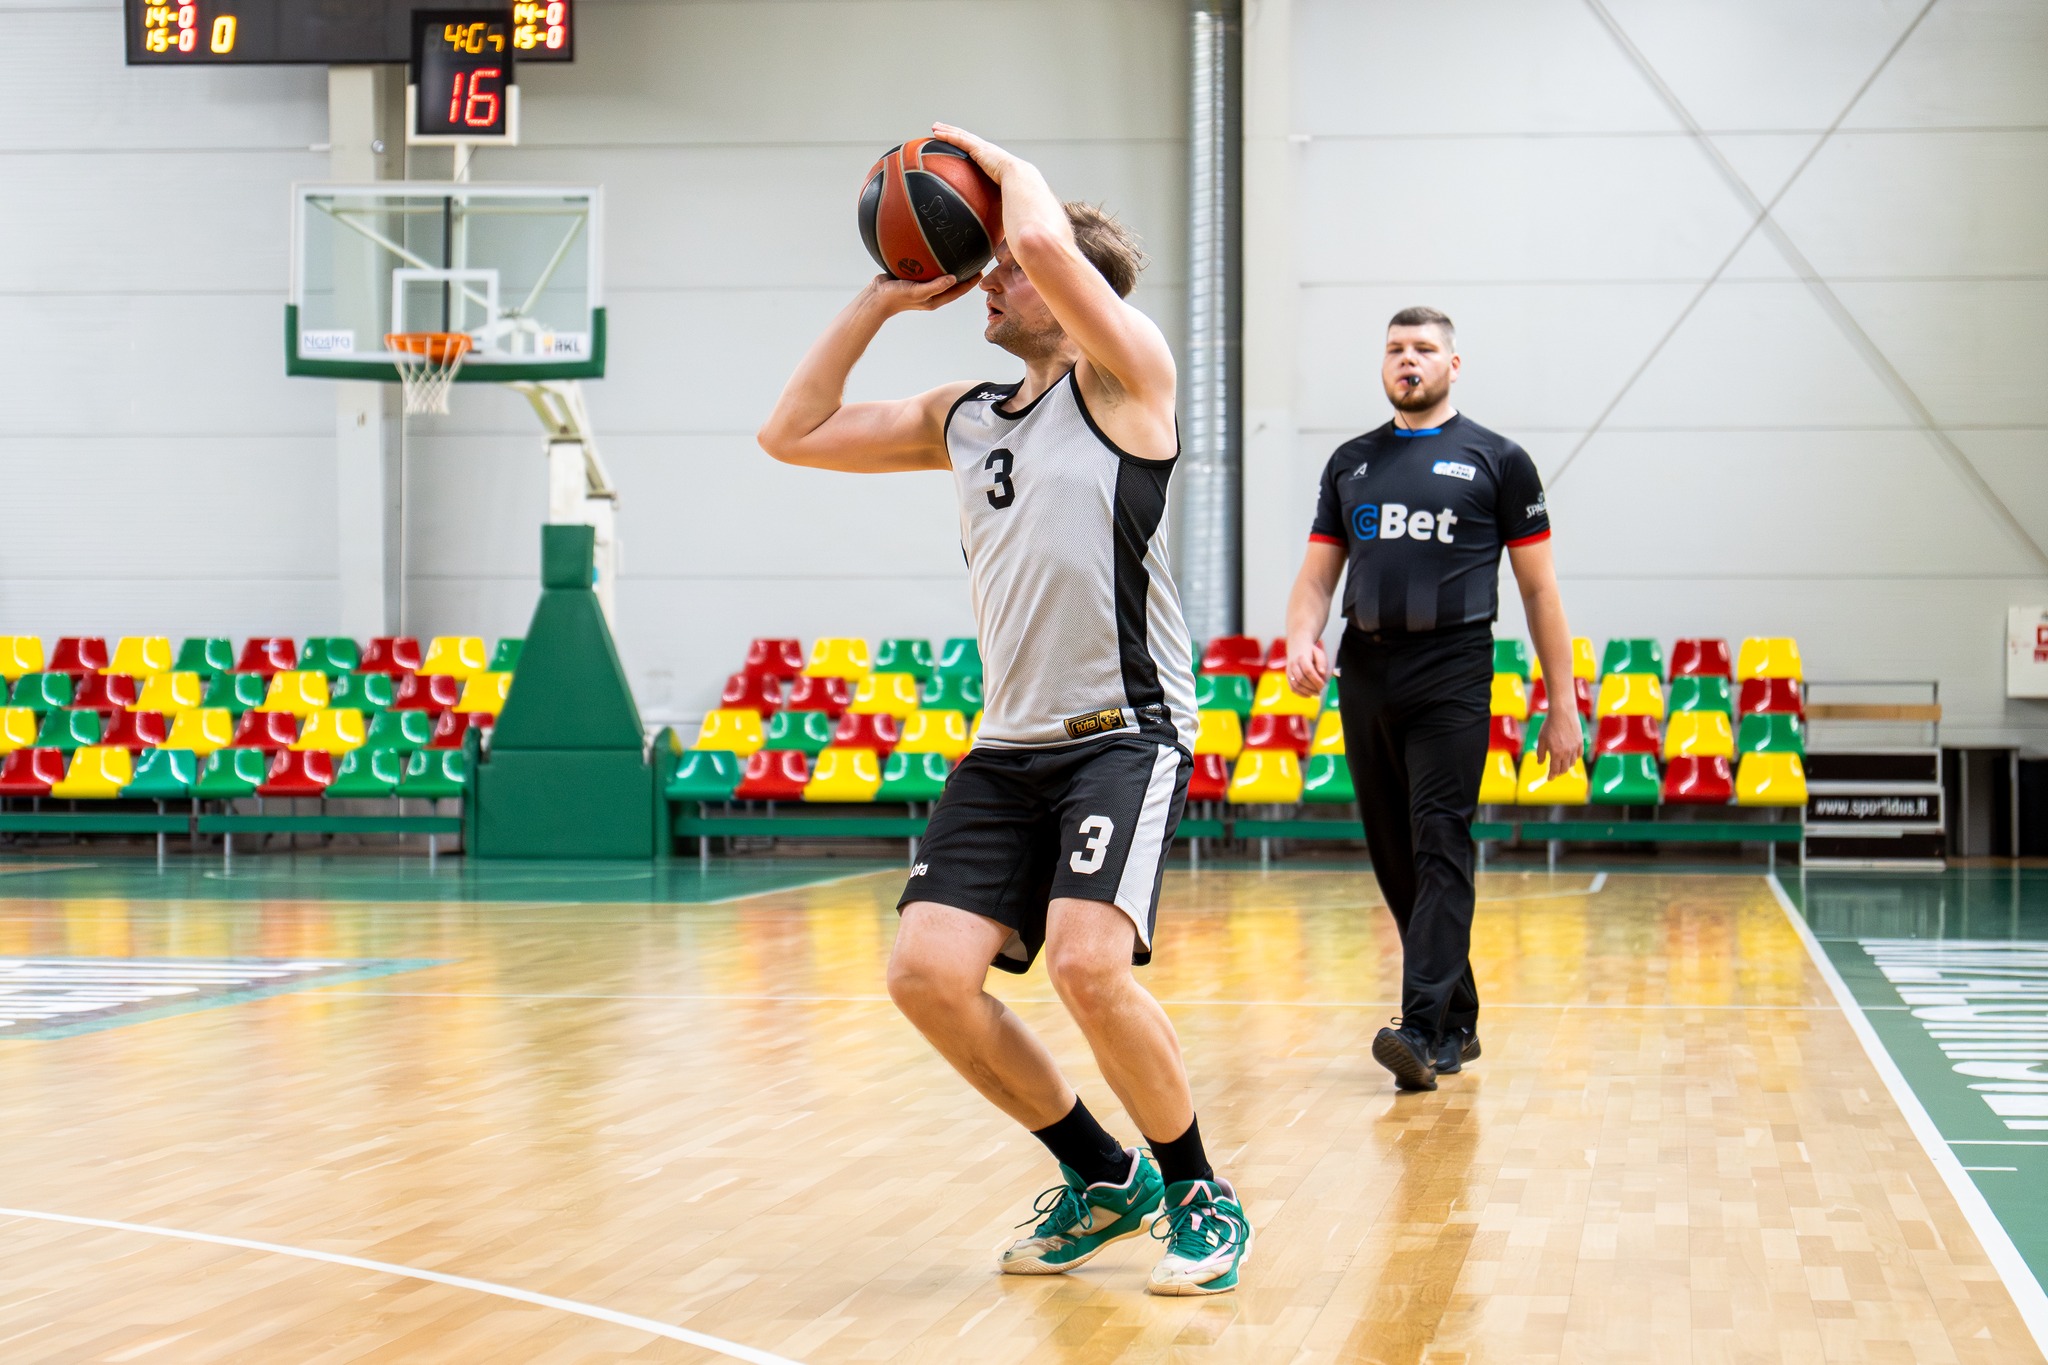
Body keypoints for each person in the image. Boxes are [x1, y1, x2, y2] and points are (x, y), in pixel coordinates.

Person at [757, 124, 1250, 1296]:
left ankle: (1199, 1196)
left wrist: (998, 162)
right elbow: (792, 433)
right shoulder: (965, 415)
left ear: (1074, 293)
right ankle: (1102, 1178)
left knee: (1087, 966)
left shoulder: (1127, 381)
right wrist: (882, 298)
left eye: (1012, 269)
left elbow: (1046, 242)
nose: (989, 277)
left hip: (1122, 733)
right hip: (1007, 745)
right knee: (924, 976)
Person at [1282, 306, 1582, 1092]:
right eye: (1394, 349)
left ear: (1453, 364)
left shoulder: (1499, 460)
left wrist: (1562, 704)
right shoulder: (1351, 463)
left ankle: (1418, 1027)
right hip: (1365, 670)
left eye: (1422, 348)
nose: (1406, 360)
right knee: (1394, 854)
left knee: (1439, 838)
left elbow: (1540, 590)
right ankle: (1457, 1020)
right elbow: (1316, 577)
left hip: (1453, 667)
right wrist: (1300, 637)